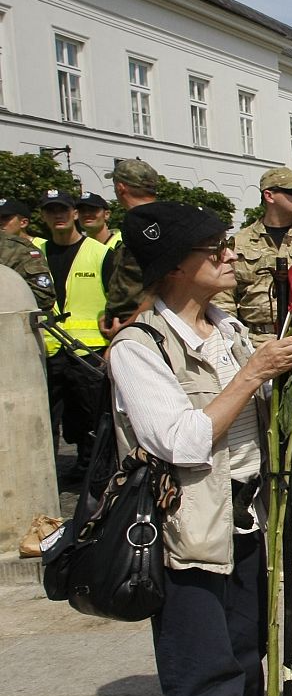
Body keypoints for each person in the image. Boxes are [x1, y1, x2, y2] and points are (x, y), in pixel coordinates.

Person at [107, 201, 292, 696]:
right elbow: (183, 440)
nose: (229, 256)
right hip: (188, 535)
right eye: (214, 249)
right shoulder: (140, 348)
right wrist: (252, 375)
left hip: (245, 524)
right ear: (175, 267)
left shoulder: (226, 328)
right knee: (205, 682)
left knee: (250, 664)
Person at [37, 188, 110, 484]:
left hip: (89, 350)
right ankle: (46, 473)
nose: (58, 216)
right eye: (51, 211)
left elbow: (118, 301)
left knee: (91, 416)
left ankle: (92, 470)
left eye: (63, 210)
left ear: (75, 214)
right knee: (47, 418)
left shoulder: (99, 253)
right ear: (42, 216)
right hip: (48, 347)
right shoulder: (35, 253)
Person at [225, 168, 292, 347]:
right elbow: (224, 297)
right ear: (269, 196)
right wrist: (232, 340)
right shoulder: (240, 242)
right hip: (254, 342)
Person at [100, 159, 164, 334]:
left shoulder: (142, 222)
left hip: (141, 325)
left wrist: (130, 323)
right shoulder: (157, 219)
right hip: (139, 321)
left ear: (120, 187)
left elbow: (161, 282)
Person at [0, 198, 55, 311]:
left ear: (23, 222)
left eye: (5, 218)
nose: (0, 222)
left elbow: (44, 297)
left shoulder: (28, 251)